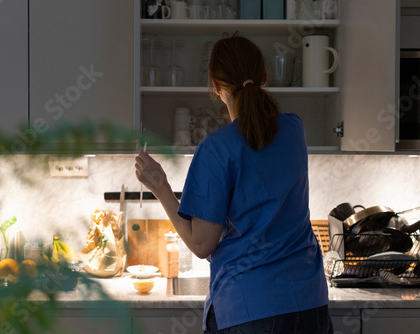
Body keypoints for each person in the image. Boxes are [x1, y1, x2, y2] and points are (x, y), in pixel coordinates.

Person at [135, 33, 332, 334]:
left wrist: (161, 187)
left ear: (215, 86)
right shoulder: (295, 129)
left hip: (249, 308)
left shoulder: (216, 149)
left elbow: (202, 244)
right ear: (264, 76)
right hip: (309, 302)